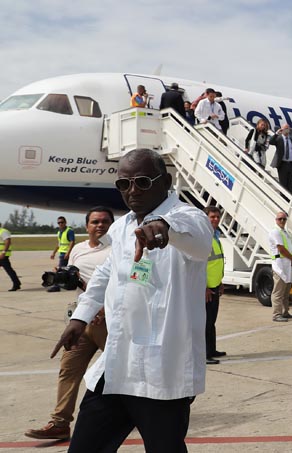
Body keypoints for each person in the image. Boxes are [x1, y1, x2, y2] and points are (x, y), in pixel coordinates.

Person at [51, 148, 213, 452]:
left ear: (165, 181)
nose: (132, 191)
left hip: (160, 372)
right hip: (115, 366)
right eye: (124, 184)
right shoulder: (123, 226)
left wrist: (165, 229)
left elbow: (200, 244)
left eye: (141, 181)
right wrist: (80, 317)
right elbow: (105, 273)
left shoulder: (188, 217)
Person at [24, 207, 114, 440]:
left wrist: (104, 308)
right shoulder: (78, 250)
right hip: (83, 322)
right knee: (69, 369)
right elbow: (80, 284)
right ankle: (60, 423)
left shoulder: (118, 248)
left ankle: (137, 414)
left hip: (112, 321)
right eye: (95, 222)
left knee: (121, 370)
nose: (100, 225)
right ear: (87, 226)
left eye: (105, 221)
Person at [204, 206, 225, 365]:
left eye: (218, 217)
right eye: (212, 217)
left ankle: (212, 349)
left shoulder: (215, 236)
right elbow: (199, 264)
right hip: (207, 288)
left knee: (212, 321)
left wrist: (221, 281)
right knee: (205, 322)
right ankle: (204, 354)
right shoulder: (204, 237)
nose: (216, 219)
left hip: (215, 285)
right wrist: (204, 287)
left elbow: (217, 261)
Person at [270, 211, 292, 322]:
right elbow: (281, 248)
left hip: (287, 264)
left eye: (284, 219)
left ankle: (285, 312)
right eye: (280, 219)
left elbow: (291, 247)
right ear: (276, 220)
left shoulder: (285, 233)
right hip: (280, 264)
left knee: (286, 292)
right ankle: (277, 314)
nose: (282, 221)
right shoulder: (275, 232)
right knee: (278, 292)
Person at [269, 124, 292, 192]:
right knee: (283, 185)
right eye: (285, 128)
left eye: (288, 128)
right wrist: (277, 133)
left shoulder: (291, 140)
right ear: (281, 129)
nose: (287, 130)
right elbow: (271, 141)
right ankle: (283, 199)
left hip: (291, 165)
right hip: (282, 164)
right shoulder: (279, 139)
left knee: (291, 185)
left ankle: (289, 201)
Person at [48, 216, 75, 292]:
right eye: (59, 223)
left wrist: (68, 253)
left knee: (59, 270)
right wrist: (54, 253)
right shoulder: (59, 232)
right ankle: (69, 284)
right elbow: (59, 244)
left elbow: (72, 242)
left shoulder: (69, 231)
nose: (60, 224)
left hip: (66, 253)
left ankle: (56, 286)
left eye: (62, 222)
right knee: (67, 270)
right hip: (61, 253)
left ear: (65, 222)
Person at [0, 222, 21, 291]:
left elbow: (7, 241)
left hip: (3, 255)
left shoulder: (3, 231)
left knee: (9, 270)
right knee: (9, 270)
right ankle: (17, 283)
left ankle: (16, 284)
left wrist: (3, 252)